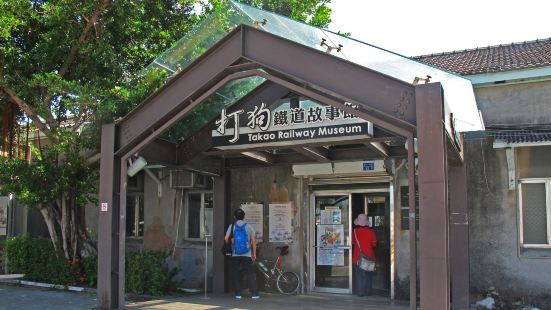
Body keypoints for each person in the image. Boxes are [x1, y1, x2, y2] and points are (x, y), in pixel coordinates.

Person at [224, 208, 259, 299]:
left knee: (236, 273)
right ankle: (254, 294)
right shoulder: (248, 226)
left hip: (235, 253)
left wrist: (232, 243)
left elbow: (226, 238)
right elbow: (254, 240)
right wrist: (254, 253)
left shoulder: (232, 226)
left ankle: (238, 294)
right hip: (247, 254)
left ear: (235, 217)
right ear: (244, 217)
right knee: (249, 273)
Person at [352, 213, 377, 297]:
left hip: (357, 257)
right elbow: (374, 244)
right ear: (366, 222)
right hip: (369, 257)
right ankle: (368, 291)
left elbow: (352, 243)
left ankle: (360, 292)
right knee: (368, 275)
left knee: (359, 275)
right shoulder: (371, 232)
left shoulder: (355, 232)